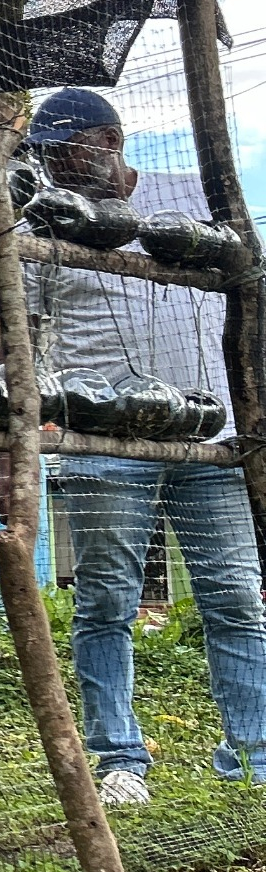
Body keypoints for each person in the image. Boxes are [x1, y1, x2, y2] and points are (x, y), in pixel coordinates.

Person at [26, 86, 266, 805]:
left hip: (213, 435)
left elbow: (249, 303)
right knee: (106, 600)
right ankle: (119, 760)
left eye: (66, 151)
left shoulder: (192, 198)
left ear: (110, 139)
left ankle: (252, 757)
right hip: (104, 440)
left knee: (235, 596)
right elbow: (21, 336)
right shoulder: (48, 220)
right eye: (46, 157)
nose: (57, 167)